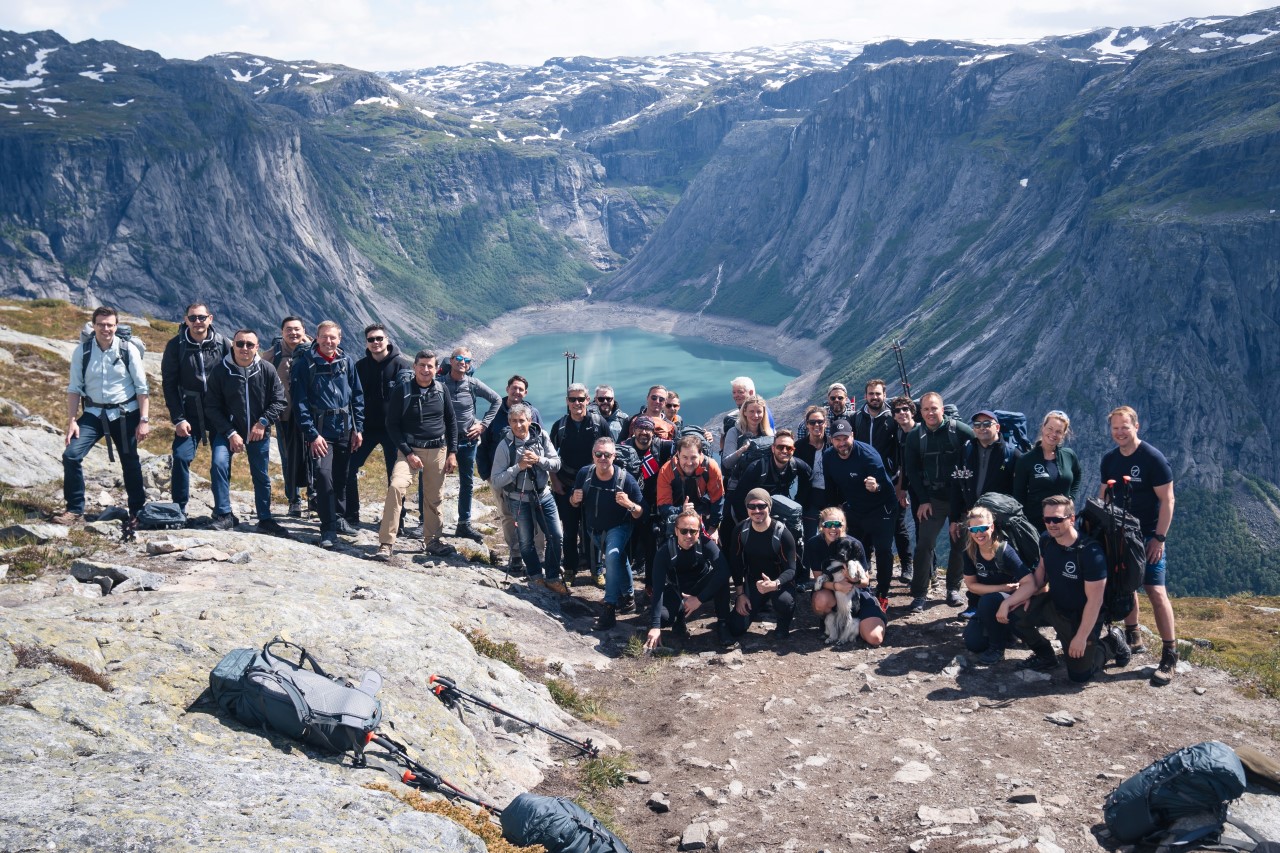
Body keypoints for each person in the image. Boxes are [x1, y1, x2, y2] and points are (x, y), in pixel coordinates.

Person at [997, 495, 1128, 684]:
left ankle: (1111, 643)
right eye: (1047, 519)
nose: (1051, 524)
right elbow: (1039, 578)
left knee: (1079, 676)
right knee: (1014, 614)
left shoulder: (1090, 553)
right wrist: (1014, 600)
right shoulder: (1046, 540)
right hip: (1055, 605)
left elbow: (1095, 601)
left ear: (1071, 519)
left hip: (1081, 616)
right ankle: (1045, 656)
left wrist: (1081, 637)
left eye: (1057, 519)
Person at [1100, 405, 1177, 686]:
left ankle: (1170, 653)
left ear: (1136, 426)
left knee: (1156, 591)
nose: (1120, 432)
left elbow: (1168, 500)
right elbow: (1103, 494)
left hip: (1146, 536)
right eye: (1115, 428)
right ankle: (1133, 635)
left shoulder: (1153, 459)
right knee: (1125, 585)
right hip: (1119, 534)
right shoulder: (1110, 459)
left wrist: (1159, 538)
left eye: (1125, 427)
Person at [57, 306, 150, 534]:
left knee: (130, 462)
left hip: (125, 414)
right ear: (94, 325)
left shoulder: (128, 350)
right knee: (71, 455)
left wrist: (144, 420)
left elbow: (142, 388)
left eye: (110, 324)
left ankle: (137, 511)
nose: (105, 328)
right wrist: (72, 421)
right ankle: (75, 509)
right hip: (93, 414)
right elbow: (74, 388)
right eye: (101, 324)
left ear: (116, 326)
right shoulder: (83, 351)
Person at [204, 329, 288, 534]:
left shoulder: (267, 369)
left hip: (258, 431)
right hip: (227, 432)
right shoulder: (220, 371)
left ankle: (265, 519)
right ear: (233, 345)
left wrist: (262, 423)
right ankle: (224, 514)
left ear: (257, 347)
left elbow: (280, 400)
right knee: (219, 465)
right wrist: (231, 432)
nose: (244, 348)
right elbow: (211, 406)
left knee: (261, 475)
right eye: (240, 343)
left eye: (250, 344)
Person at [375, 350, 457, 559]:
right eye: (422, 365)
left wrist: (452, 452)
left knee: (434, 498)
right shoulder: (402, 391)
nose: (425, 370)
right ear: (414, 367)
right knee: (396, 487)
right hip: (409, 452)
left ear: (436, 369)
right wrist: (409, 453)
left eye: (430, 366)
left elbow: (451, 421)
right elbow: (391, 425)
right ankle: (386, 543)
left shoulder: (442, 390)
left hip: (438, 450)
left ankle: (433, 541)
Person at [291, 320, 365, 549]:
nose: (328, 341)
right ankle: (328, 528)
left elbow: (357, 397)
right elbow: (299, 403)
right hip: (320, 430)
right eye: (324, 337)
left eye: (333, 337)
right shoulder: (304, 365)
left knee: (342, 476)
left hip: (344, 427)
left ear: (339, 339)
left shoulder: (346, 362)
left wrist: (358, 428)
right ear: (316, 337)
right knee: (324, 477)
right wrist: (312, 434)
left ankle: (340, 518)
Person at [904, 392, 976, 612]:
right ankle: (919, 594)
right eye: (926, 409)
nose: (930, 413)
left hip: (960, 500)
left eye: (934, 408)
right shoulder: (915, 436)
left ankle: (953, 588)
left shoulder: (960, 431)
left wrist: (971, 498)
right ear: (920, 412)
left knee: (960, 543)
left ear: (942, 409)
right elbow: (912, 471)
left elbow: (978, 454)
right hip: (933, 499)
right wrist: (923, 501)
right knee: (924, 544)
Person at [160, 301, 230, 516]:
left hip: (219, 411)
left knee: (220, 461)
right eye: (192, 318)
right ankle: (179, 508)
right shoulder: (176, 346)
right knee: (181, 457)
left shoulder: (222, 344)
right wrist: (178, 418)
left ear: (210, 318)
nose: (197, 322)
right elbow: (169, 384)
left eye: (201, 317)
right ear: (185, 320)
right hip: (190, 412)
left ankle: (222, 511)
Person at [489, 403, 566, 593]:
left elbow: (556, 464)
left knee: (556, 536)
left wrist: (539, 460)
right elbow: (496, 480)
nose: (518, 425)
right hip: (517, 498)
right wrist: (518, 467)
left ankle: (552, 577)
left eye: (522, 421)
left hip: (543, 494)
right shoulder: (505, 446)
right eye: (514, 421)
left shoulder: (542, 437)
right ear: (509, 422)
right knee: (525, 541)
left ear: (530, 421)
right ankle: (535, 576)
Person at [821, 419, 896, 611]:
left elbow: (887, 488)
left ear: (852, 436)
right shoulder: (829, 457)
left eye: (845, 437)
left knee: (883, 551)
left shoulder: (868, 455)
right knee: (854, 551)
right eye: (837, 439)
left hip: (880, 508)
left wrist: (876, 487)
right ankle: (860, 589)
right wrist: (833, 513)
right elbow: (831, 488)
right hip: (854, 509)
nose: (842, 443)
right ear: (831, 440)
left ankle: (882, 595)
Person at [571, 437, 645, 630]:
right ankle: (629, 599)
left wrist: (629, 504)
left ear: (614, 456)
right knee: (619, 559)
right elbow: (573, 501)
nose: (602, 458)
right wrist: (573, 498)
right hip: (594, 530)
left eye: (607, 454)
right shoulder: (584, 474)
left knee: (612, 557)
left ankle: (609, 607)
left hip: (619, 527)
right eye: (598, 454)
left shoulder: (625, 479)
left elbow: (640, 511)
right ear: (593, 455)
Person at [349, 324, 413, 530]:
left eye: (379, 338)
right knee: (349, 468)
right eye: (371, 339)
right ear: (366, 342)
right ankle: (351, 514)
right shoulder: (359, 366)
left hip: (393, 431)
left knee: (395, 477)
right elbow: (352, 398)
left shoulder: (402, 366)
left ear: (387, 339)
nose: (375, 343)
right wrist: (355, 427)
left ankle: (397, 520)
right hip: (365, 429)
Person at [644, 507, 734, 650]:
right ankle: (679, 618)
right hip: (676, 589)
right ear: (676, 531)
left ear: (699, 532)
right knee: (663, 618)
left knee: (720, 578)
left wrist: (699, 599)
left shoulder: (706, 544)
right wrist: (655, 627)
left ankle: (723, 624)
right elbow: (658, 588)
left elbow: (724, 571)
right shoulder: (665, 551)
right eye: (684, 531)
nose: (688, 535)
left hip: (700, 586)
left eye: (693, 531)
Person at [478, 375, 543, 572]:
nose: (517, 392)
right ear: (507, 389)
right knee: (507, 515)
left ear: (526, 393)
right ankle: (515, 555)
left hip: (529, 475)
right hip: (501, 475)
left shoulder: (533, 413)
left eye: (521, 389)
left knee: (534, 515)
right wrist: (486, 474)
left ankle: (538, 556)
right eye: (514, 388)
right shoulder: (495, 412)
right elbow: (483, 444)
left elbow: (541, 440)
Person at [551, 383, 611, 584]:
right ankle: (570, 568)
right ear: (567, 402)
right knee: (569, 530)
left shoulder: (598, 423)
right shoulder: (559, 426)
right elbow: (549, 456)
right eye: (572, 399)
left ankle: (597, 570)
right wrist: (555, 482)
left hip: (594, 484)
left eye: (580, 399)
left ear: (587, 400)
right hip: (567, 485)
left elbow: (611, 451)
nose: (577, 403)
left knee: (593, 530)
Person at [440, 346, 501, 541]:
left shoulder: (473, 384)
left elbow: (497, 400)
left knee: (467, 482)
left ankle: (463, 524)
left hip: (467, 440)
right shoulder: (439, 383)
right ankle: (426, 522)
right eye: (459, 358)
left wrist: (483, 425)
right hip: (442, 441)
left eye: (467, 361)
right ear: (451, 360)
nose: (463, 363)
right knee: (432, 480)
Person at [733, 429, 812, 571]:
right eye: (780, 447)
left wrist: (800, 501)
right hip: (756, 510)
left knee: (796, 528)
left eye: (789, 448)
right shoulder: (756, 468)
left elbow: (808, 477)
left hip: (778, 508)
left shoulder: (796, 465)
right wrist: (748, 522)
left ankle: (795, 572)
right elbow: (739, 497)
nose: (784, 451)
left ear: (793, 450)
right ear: (773, 448)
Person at [807, 507, 886, 647]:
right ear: (821, 526)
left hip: (857, 593)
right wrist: (837, 586)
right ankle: (834, 621)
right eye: (828, 524)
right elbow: (818, 578)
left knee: (875, 639)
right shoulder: (814, 544)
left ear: (843, 525)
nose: (833, 528)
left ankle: (859, 619)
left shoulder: (854, 544)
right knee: (821, 600)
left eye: (837, 524)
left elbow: (865, 581)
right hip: (833, 591)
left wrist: (853, 580)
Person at [960, 506, 1028, 664]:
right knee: (973, 643)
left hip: (1011, 603)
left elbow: (1027, 580)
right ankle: (1005, 633)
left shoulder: (1005, 551)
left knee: (989, 600)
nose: (978, 533)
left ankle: (997, 648)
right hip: (990, 604)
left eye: (982, 528)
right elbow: (972, 586)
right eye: (974, 529)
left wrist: (1006, 597)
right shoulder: (970, 552)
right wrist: (1002, 588)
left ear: (991, 527)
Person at [728, 489, 798, 642]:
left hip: (779, 582)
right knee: (735, 628)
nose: (756, 511)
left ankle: (783, 624)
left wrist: (775, 583)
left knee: (784, 602)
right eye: (751, 507)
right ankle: (760, 603)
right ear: (746, 508)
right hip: (755, 582)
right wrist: (740, 595)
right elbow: (736, 563)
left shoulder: (783, 533)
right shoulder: (741, 530)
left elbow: (792, 569)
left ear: (769, 507)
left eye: (761, 506)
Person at [263, 316, 312, 517]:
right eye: (288, 330)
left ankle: (314, 496)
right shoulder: (271, 355)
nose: (293, 333)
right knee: (288, 458)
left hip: (312, 414)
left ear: (303, 330)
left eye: (297, 329)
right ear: (282, 332)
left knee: (314, 456)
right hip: (285, 415)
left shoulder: (315, 350)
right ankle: (294, 499)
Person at [620, 415, 675, 592]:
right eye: (640, 428)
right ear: (634, 430)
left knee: (652, 549)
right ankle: (623, 588)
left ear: (653, 432)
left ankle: (651, 587)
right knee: (626, 548)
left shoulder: (663, 447)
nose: (644, 432)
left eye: (648, 429)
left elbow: (684, 445)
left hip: (652, 509)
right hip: (628, 506)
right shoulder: (623, 448)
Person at [950, 409, 1023, 535]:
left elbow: (1020, 490)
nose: (982, 428)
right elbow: (957, 484)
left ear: (997, 427)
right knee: (973, 553)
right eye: (977, 425)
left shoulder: (1012, 455)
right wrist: (954, 518)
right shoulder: (966, 451)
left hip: (1001, 519)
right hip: (974, 517)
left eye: (987, 424)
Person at [1013, 410, 1081, 531]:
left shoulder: (1069, 455)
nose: (1053, 434)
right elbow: (1019, 494)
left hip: (1063, 522)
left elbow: (1077, 475)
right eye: (1050, 428)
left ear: (1063, 434)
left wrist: (1071, 498)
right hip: (1035, 523)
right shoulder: (1026, 460)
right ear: (1043, 428)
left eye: (1058, 431)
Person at [656, 434, 726, 536]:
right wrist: (682, 510)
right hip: (676, 514)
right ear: (678, 454)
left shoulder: (711, 467)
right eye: (685, 457)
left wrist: (713, 528)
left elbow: (717, 500)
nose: (689, 463)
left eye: (693, 457)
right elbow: (663, 507)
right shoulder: (666, 471)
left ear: (700, 454)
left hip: (702, 512)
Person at [889, 396, 918, 585]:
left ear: (913, 411)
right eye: (897, 411)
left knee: (923, 531)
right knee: (902, 524)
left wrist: (903, 487)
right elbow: (903, 464)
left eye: (905, 409)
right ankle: (918, 572)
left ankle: (926, 574)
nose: (901, 413)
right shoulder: (899, 433)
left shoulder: (920, 432)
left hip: (924, 488)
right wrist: (901, 487)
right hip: (907, 485)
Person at [720, 377, 756, 454]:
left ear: (751, 392)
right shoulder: (730, 418)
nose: (736, 395)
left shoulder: (760, 416)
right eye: (734, 392)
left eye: (740, 392)